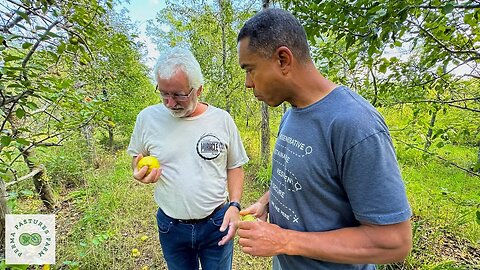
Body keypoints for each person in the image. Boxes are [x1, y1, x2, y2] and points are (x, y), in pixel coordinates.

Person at [235, 8, 412, 269]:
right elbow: (301, 180)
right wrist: (265, 203)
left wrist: (284, 241)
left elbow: (394, 241)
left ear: (283, 59)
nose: (248, 83)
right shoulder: (291, 113)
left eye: (250, 70)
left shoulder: (355, 124)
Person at [127, 47, 249, 270]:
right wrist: (138, 171)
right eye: (164, 93)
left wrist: (235, 206)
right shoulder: (147, 118)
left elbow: (235, 166)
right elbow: (137, 157)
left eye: (178, 95)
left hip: (216, 222)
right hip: (171, 226)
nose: (170, 103)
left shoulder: (222, 120)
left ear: (198, 89)